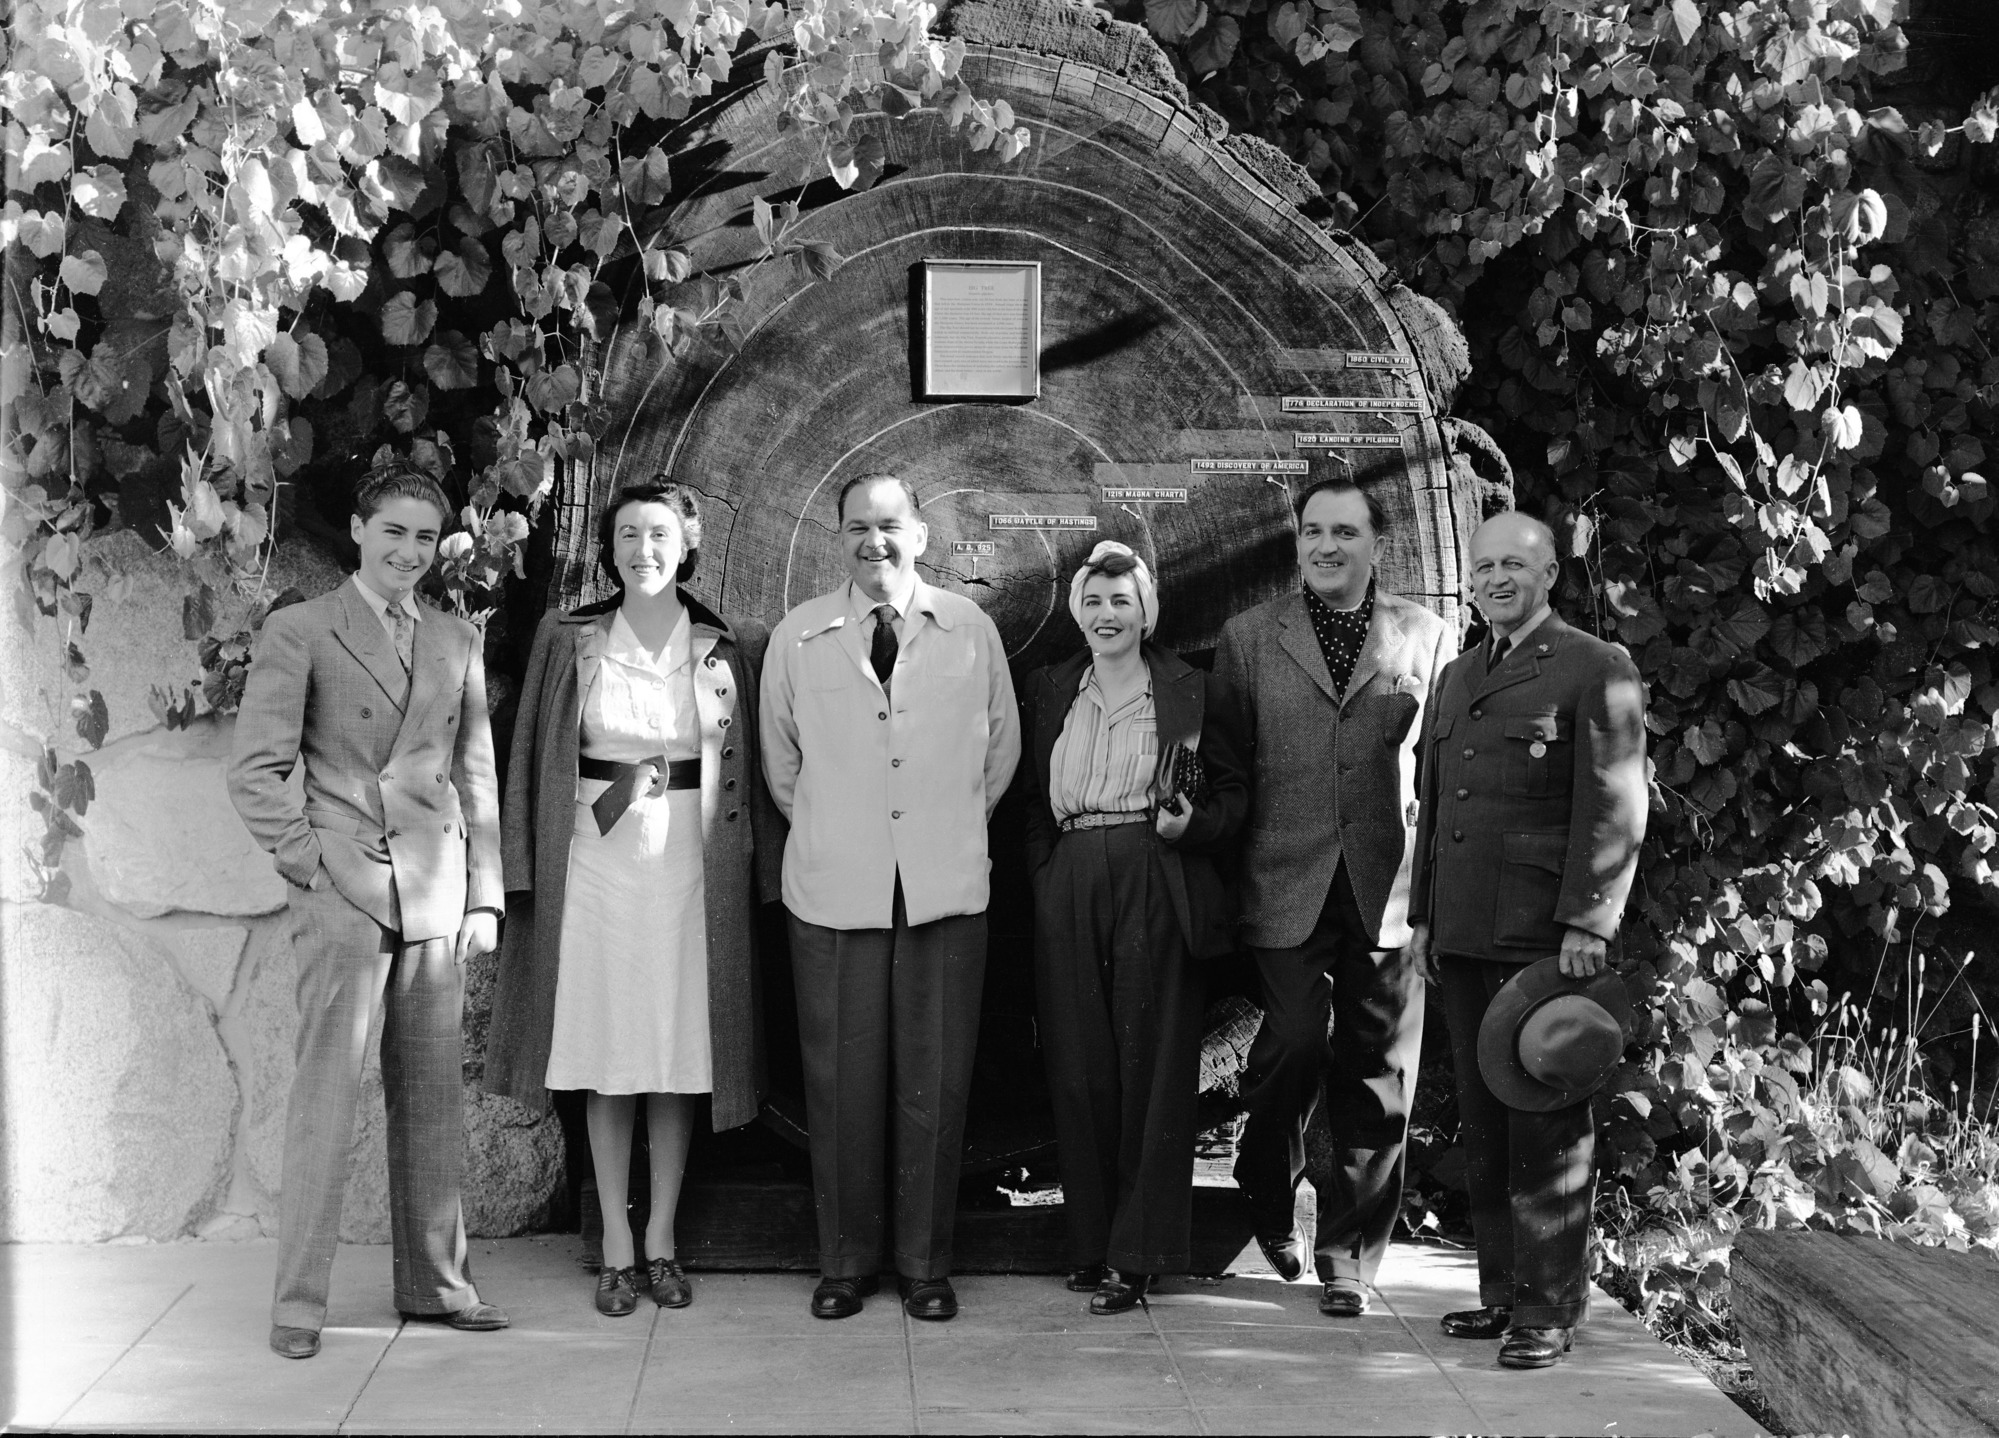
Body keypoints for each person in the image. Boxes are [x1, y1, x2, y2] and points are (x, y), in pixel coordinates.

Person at [228, 460, 508, 1359]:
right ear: (357, 530)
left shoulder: (457, 639)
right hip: (342, 888)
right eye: (393, 531)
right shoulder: (302, 629)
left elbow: (475, 776)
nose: (408, 551)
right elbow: (257, 771)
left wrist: (485, 897)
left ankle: (436, 1285)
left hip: (433, 889)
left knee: (432, 1100)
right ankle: (299, 1306)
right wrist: (310, 865)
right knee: (326, 1100)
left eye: (425, 537)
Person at [484, 478, 773, 1316]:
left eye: (658, 535)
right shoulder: (567, 638)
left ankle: (662, 1242)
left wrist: (755, 873)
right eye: (627, 537)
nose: (643, 550)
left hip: (690, 866)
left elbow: (748, 775)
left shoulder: (722, 646)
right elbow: (530, 752)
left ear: (685, 546)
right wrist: (519, 870)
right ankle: (614, 1241)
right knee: (610, 1055)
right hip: (595, 862)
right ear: (608, 552)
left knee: (677, 1056)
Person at [759, 472, 1021, 1322]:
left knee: (934, 1086)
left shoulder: (968, 629)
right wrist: (856, 837)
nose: (875, 542)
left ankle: (924, 1266)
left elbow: (999, 755)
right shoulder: (799, 638)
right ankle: (844, 1264)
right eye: (857, 528)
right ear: (838, 538)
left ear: (921, 534)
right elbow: (781, 768)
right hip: (835, 892)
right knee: (840, 1085)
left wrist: (933, 831)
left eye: (890, 525)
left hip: (942, 889)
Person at [1408, 510, 1648, 1369]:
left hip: (1546, 938)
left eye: (1515, 565)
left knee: (1545, 1118)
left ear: (1550, 576)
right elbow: (1440, 809)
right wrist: (1426, 915)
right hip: (1468, 930)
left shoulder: (1593, 665)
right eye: (1483, 569)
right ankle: (1504, 1295)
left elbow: (1615, 799)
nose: (1496, 580)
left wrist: (1590, 918)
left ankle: (1547, 1310)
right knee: (1484, 1118)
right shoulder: (1461, 672)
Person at [1214, 478, 1454, 1318]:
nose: (1325, 546)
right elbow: (1229, 770)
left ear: (1374, 546)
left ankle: (1348, 1254)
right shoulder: (1249, 639)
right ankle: (1264, 1186)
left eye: (1343, 532)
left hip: (1387, 886)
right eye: (1312, 531)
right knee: (1287, 1045)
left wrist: (1433, 893)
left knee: (1378, 1070)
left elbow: (1441, 773)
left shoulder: (1426, 637)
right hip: (1283, 877)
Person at [1019, 542, 1247, 1314]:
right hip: (1072, 870)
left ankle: (1138, 1254)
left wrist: (1194, 829)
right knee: (1079, 1065)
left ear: (1145, 611)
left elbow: (1233, 799)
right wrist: (1047, 875)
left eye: (1121, 601)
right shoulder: (1050, 687)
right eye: (1094, 600)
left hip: (1158, 872)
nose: (1106, 614)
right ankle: (1090, 1243)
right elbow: (1025, 797)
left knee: (1151, 1064)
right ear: (1077, 611)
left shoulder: (1190, 689)